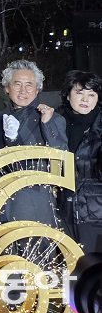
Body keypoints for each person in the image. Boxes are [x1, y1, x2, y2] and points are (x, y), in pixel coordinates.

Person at [0, 59, 67, 228]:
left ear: (37, 89)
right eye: (17, 84)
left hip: (36, 199)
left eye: (29, 85)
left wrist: (47, 124)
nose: (23, 90)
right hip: (0, 199)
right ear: (7, 88)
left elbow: (62, 156)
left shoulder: (51, 117)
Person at [57, 71, 102, 252]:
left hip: (95, 213)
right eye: (79, 93)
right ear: (68, 95)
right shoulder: (54, 122)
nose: (85, 99)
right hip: (61, 209)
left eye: (91, 94)